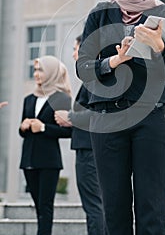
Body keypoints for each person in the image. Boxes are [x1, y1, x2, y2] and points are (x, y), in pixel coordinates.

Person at [76, 0, 165, 235]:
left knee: (152, 207)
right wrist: (114, 60)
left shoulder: (163, 14)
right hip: (107, 119)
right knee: (114, 209)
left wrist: (159, 46)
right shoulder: (99, 15)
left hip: (153, 118)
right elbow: (83, 68)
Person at [54, 35, 105, 235]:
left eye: (76, 49)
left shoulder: (96, 80)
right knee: (95, 205)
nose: (74, 54)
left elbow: (100, 114)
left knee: (94, 206)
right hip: (89, 149)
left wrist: (70, 117)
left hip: (90, 152)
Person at [19, 55, 72, 235]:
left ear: (51, 72)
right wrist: (23, 126)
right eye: (34, 70)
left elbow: (68, 131)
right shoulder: (28, 99)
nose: (36, 74)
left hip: (49, 160)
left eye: (40, 69)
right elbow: (22, 131)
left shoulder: (61, 99)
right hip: (29, 159)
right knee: (38, 205)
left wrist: (43, 128)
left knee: (45, 205)